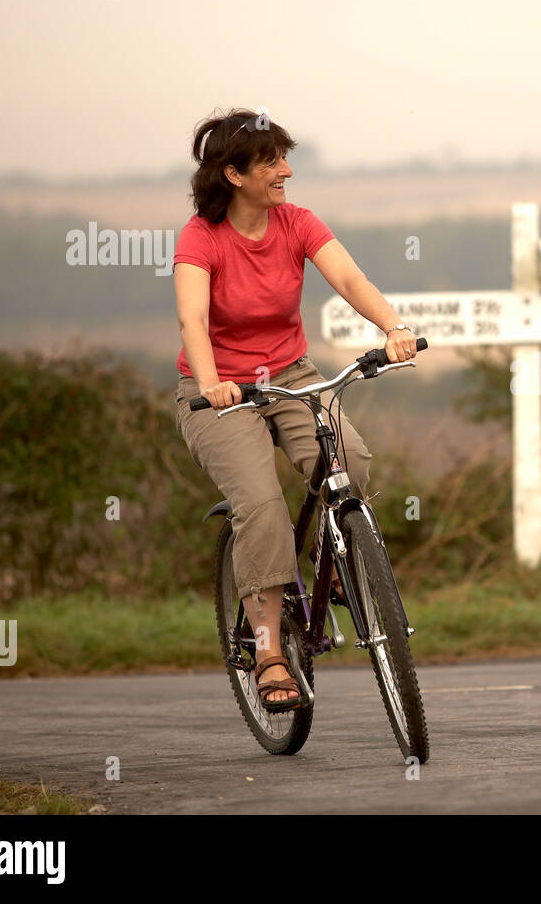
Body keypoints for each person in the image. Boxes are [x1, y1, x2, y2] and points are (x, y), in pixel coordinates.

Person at [173, 109, 418, 709]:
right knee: (260, 505)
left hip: (291, 374)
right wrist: (212, 383)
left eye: (285, 157)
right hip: (218, 392)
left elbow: (350, 280)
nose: (287, 170)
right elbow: (193, 320)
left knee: (350, 464)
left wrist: (393, 326)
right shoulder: (200, 237)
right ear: (233, 174)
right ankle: (269, 653)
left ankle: (328, 558)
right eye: (271, 162)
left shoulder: (297, 222)